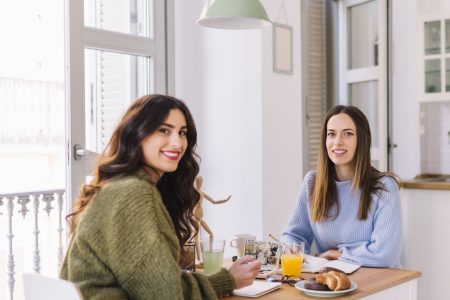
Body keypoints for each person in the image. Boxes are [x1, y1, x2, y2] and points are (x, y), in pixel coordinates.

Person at [60, 94, 261, 299]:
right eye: (164, 130)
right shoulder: (133, 193)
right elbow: (165, 294)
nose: (177, 143)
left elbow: (160, 283)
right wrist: (228, 279)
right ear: (136, 134)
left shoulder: (119, 185)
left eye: (182, 133)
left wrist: (227, 280)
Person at [282, 105, 402, 268]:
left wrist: (338, 254)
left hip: (381, 282)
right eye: (331, 134)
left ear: (362, 139)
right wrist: (292, 249)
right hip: (332, 280)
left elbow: (384, 256)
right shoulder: (312, 183)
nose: (338, 142)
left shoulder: (384, 187)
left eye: (348, 134)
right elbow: (292, 235)